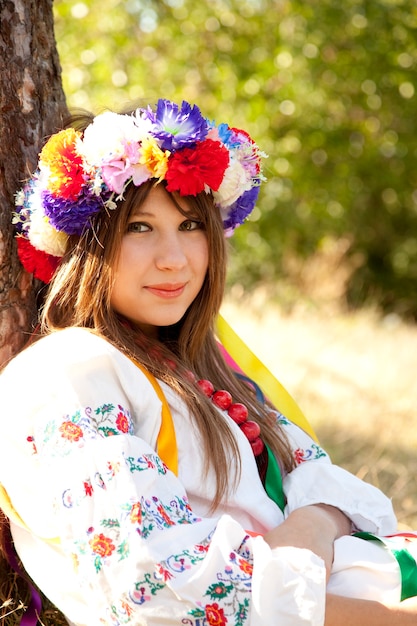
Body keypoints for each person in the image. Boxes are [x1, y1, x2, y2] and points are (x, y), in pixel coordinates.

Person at [0, 98, 416, 626]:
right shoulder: (69, 371)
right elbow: (161, 592)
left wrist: (307, 531)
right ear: (86, 242)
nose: (174, 258)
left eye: (192, 225)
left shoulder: (201, 368)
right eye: (140, 228)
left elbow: (331, 487)